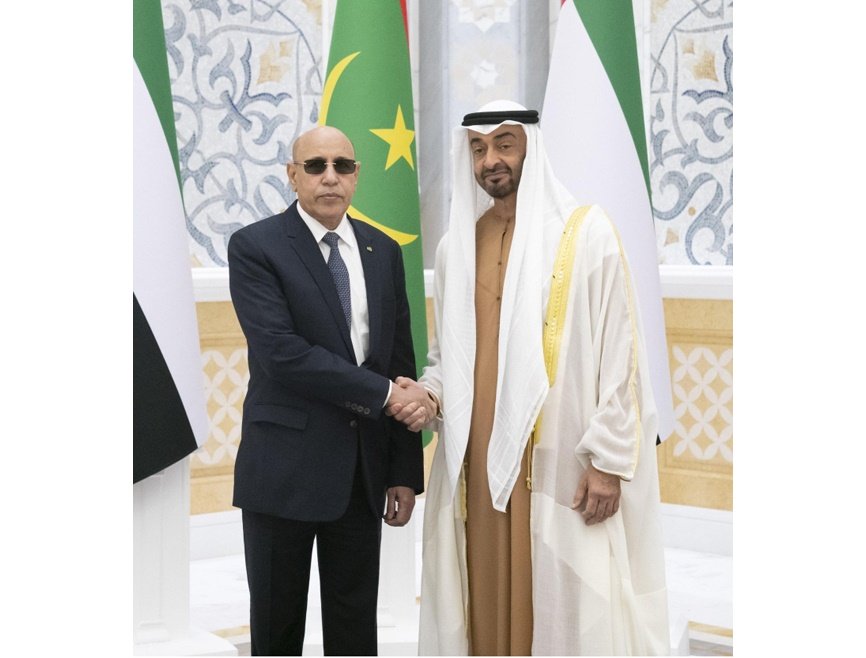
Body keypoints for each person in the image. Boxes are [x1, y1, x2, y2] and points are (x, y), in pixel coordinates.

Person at [411, 100, 670, 655]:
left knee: (562, 600)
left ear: (531, 146)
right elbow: (447, 355)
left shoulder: (586, 233)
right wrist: (430, 393)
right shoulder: (456, 247)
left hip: (561, 462)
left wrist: (608, 461)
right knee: (482, 591)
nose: (490, 160)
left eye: (504, 144)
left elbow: (621, 352)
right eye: (478, 149)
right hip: (477, 461)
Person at [227, 125, 427, 656]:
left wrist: (403, 471)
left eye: (342, 166)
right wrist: (386, 395)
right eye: (316, 166)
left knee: (355, 633)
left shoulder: (383, 250)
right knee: (277, 632)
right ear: (293, 176)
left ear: (357, 175)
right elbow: (283, 354)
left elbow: (399, 362)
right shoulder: (256, 246)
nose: (330, 177)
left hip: (361, 475)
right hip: (282, 472)